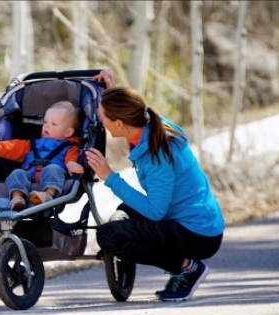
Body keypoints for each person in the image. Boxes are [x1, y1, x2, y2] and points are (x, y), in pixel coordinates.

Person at [84, 80, 225, 302]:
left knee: (110, 236)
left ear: (119, 124)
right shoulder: (146, 122)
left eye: (103, 117)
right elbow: (129, 104)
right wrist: (110, 89)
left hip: (198, 233)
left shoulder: (157, 153)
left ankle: (187, 268)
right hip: (184, 218)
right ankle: (181, 265)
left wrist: (109, 177)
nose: (101, 122)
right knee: (122, 214)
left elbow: (155, 212)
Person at [0, 101, 85, 211]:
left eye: (54, 124)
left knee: (54, 169)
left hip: (51, 179)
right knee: (17, 173)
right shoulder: (32, 143)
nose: (47, 126)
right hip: (28, 177)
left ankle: (47, 195)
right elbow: (13, 146)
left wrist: (71, 165)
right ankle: (17, 198)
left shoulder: (70, 147)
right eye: (45, 122)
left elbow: (71, 159)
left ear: (68, 132)